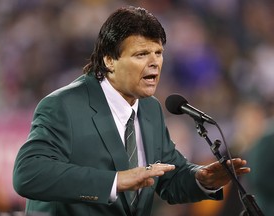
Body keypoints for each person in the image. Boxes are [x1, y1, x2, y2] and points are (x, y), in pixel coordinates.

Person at [13, 6, 250, 216]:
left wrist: (201, 179)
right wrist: (116, 180)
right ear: (109, 60)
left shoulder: (150, 108)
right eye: (141, 54)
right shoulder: (63, 106)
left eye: (158, 53)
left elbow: (169, 177)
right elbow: (28, 174)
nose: (154, 62)